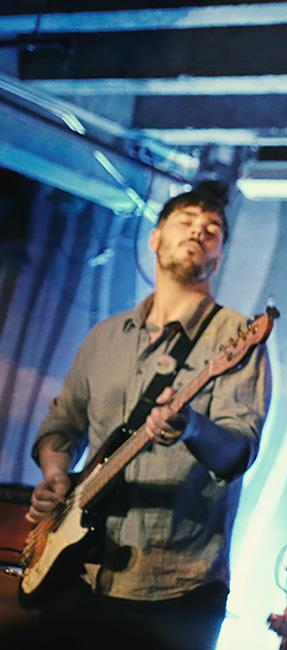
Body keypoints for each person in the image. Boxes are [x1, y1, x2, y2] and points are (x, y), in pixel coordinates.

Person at [23, 184, 271, 650]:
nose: (198, 231)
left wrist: (190, 426)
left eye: (212, 229)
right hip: (77, 572)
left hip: (176, 587)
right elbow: (63, 423)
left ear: (219, 258)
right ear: (154, 238)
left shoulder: (235, 335)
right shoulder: (105, 336)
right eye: (186, 221)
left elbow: (239, 451)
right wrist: (55, 475)